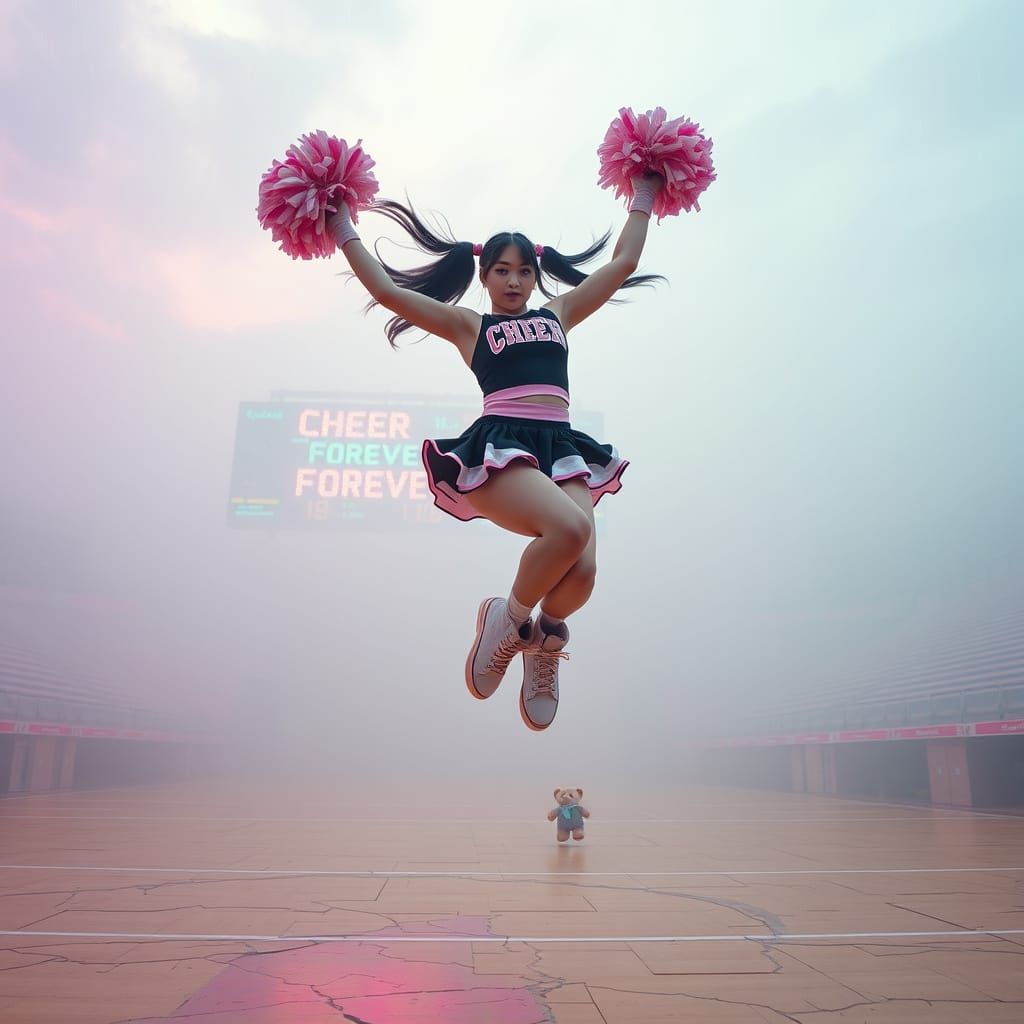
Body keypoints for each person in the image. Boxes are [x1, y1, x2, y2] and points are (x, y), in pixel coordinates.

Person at [327, 174, 664, 731]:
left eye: (523, 270)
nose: (513, 280)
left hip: (561, 447)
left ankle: (542, 645)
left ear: (536, 277)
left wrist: (646, 189)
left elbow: (621, 262)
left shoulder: (558, 315)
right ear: (484, 277)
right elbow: (387, 291)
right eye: (502, 270)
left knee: (582, 574)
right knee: (570, 531)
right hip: (502, 446)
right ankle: (507, 621)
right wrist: (339, 221)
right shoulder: (468, 326)